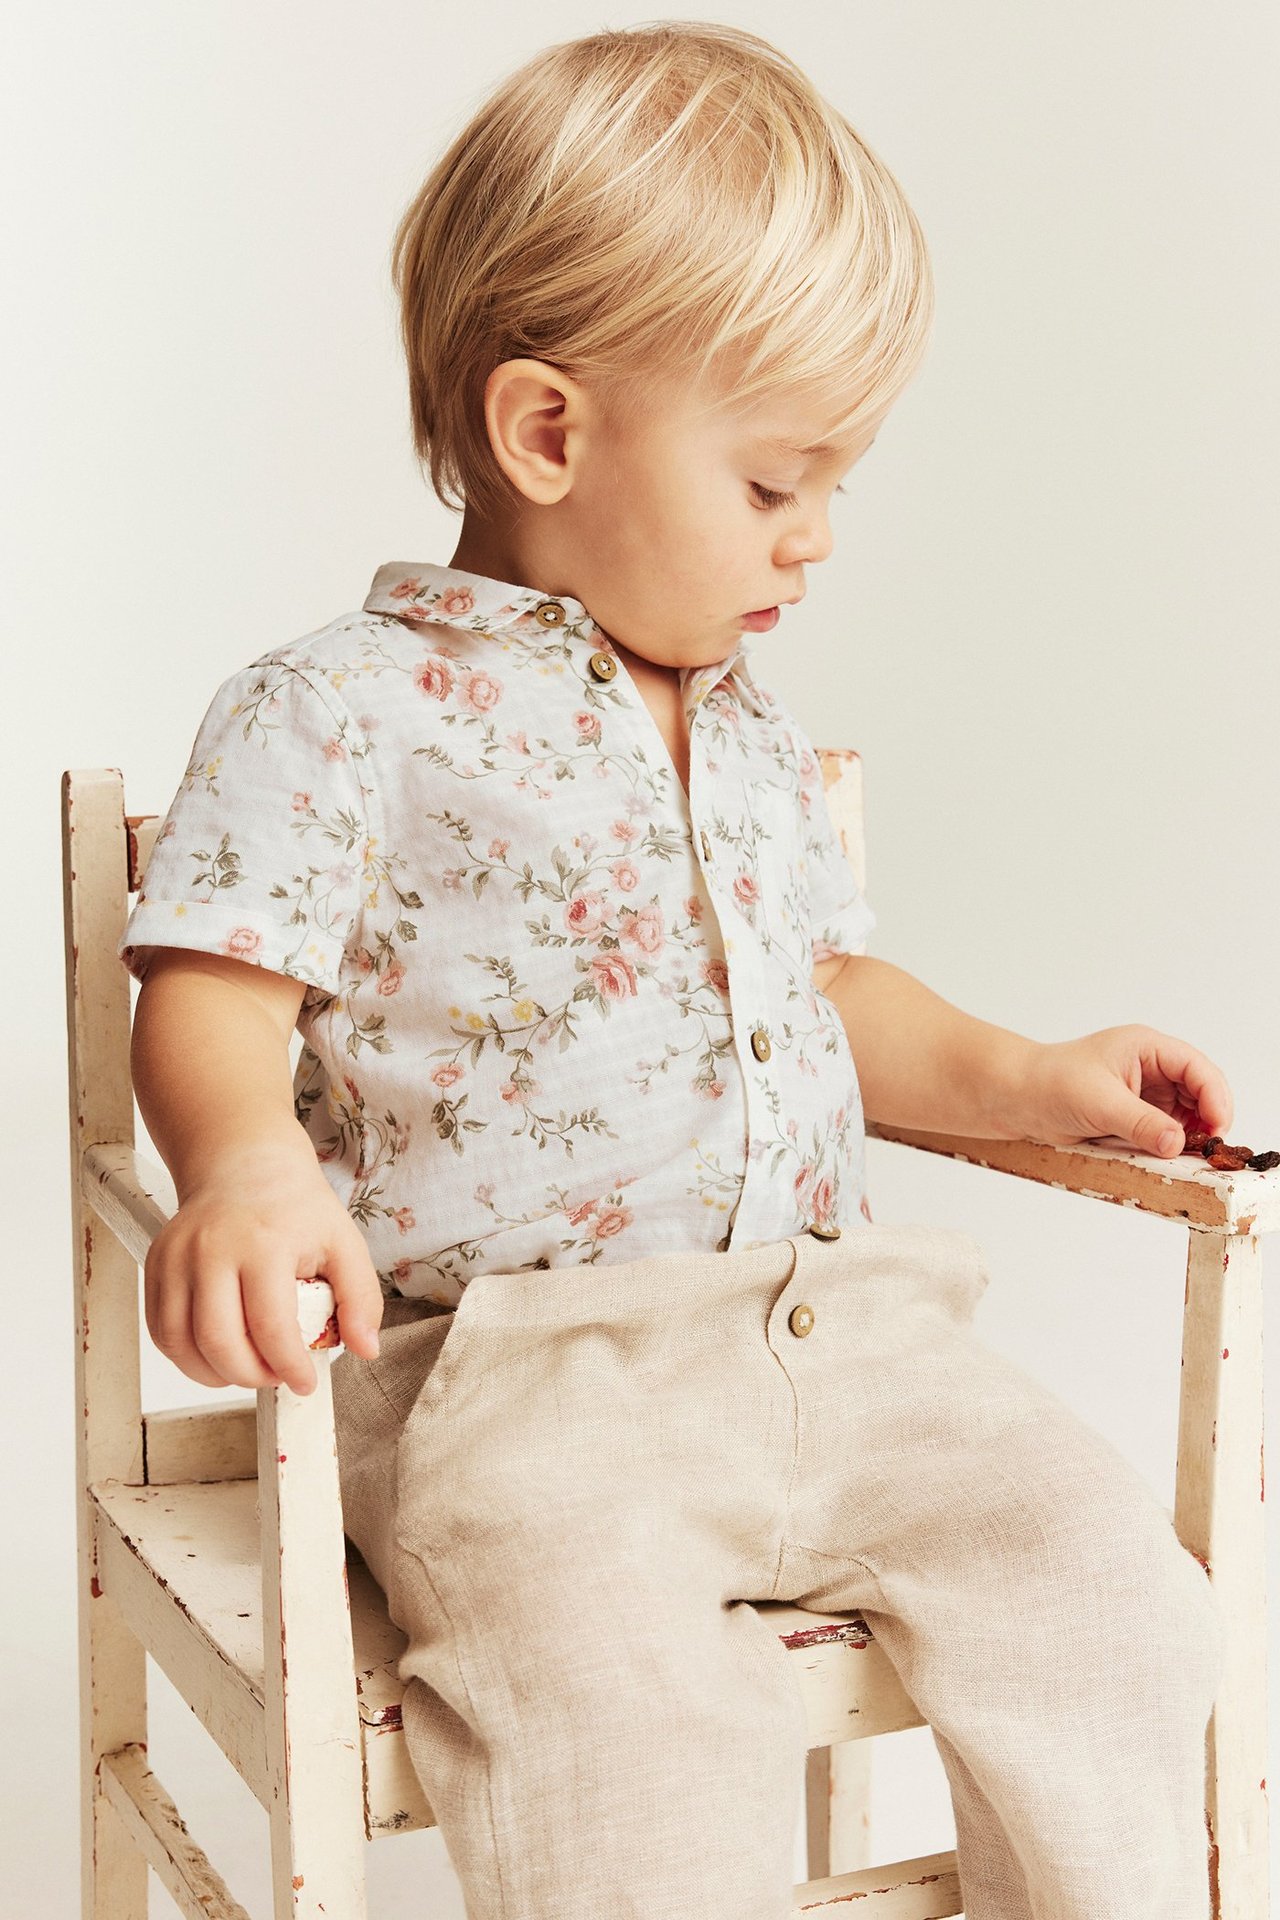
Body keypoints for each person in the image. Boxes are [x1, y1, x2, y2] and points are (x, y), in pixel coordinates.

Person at [119, 22, 1229, 1918]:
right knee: (620, 1716)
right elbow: (218, 984)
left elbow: (832, 999)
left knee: (1112, 1589)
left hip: (845, 1332)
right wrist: (243, 1162)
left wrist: (1035, 1076)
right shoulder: (340, 712)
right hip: (526, 1386)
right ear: (548, 433)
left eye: (836, 487)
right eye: (780, 482)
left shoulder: (748, 727)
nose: (819, 540)